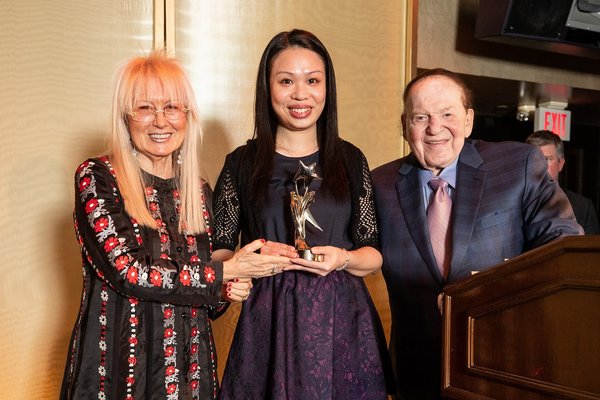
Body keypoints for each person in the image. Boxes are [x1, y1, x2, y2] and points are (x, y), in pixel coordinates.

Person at [60, 51, 292, 400]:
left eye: (171, 107)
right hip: (119, 374)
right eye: (144, 108)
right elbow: (131, 273)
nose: (160, 121)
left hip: (190, 378)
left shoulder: (198, 192)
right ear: (125, 117)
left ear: (186, 116)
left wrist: (233, 283)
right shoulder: (98, 178)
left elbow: (206, 303)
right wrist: (225, 272)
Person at [371, 68, 583, 400]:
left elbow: (563, 247)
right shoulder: (378, 184)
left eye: (447, 114)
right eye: (421, 117)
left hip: (501, 363)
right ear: (404, 125)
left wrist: (482, 292)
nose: (434, 128)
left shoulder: (517, 164)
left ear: (468, 120)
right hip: (416, 373)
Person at [213, 29, 393, 399]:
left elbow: (372, 254)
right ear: (268, 87)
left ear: (327, 87)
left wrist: (342, 259)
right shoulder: (242, 163)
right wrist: (247, 264)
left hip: (342, 319)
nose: (301, 94)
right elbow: (219, 250)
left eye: (313, 80)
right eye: (286, 81)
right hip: (269, 317)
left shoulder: (349, 159)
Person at [526, 130, 599, 234]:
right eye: (534, 160)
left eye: (547, 159)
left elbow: (590, 248)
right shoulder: (513, 203)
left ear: (561, 163)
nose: (540, 166)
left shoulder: (583, 207)